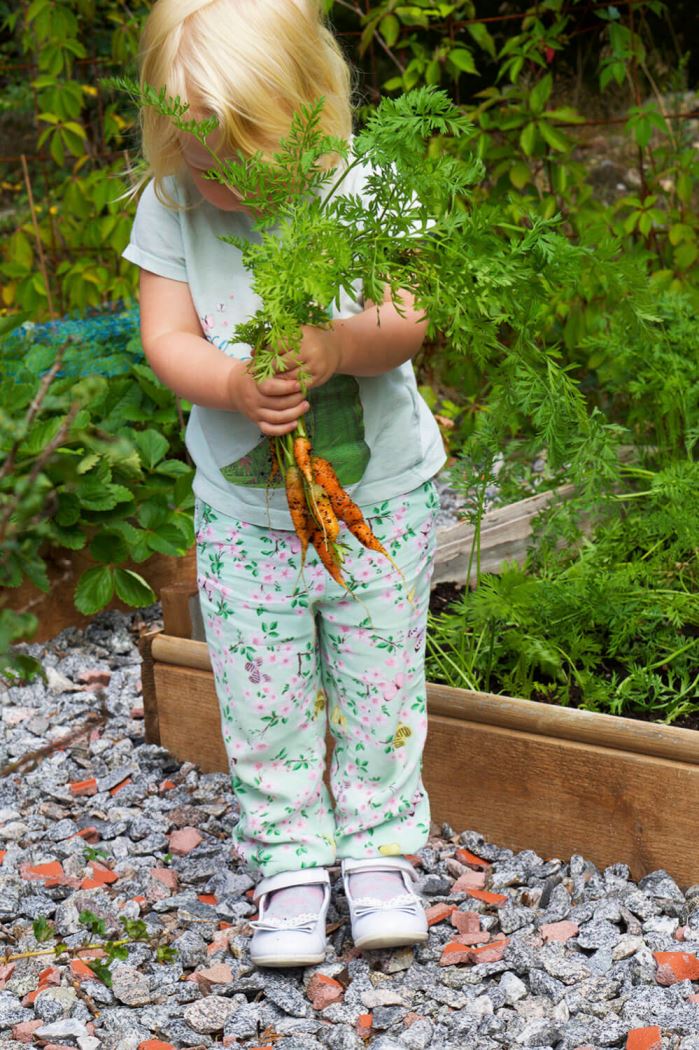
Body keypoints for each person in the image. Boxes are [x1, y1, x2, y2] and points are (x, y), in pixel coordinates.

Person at [121, 0, 447, 968]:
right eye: (202, 162)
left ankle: (381, 851)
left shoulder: (363, 187)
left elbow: (410, 316)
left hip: (379, 502)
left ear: (310, 110)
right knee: (264, 699)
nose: (222, 185)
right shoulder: (171, 203)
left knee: (380, 684)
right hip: (244, 517)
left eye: (244, 161)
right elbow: (165, 336)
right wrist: (228, 380)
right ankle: (290, 861)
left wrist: (337, 343)